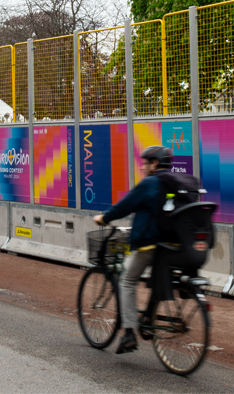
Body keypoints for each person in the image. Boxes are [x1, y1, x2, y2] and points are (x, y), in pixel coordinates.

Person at [93, 145, 176, 354]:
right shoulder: (175, 183)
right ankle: (148, 315)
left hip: (150, 243)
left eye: (145, 163)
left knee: (127, 281)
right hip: (174, 246)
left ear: (155, 163)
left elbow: (125, 205)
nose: (143, 167)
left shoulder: (150, 183)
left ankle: (129, 332)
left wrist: (105, 217)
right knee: (156, 278)